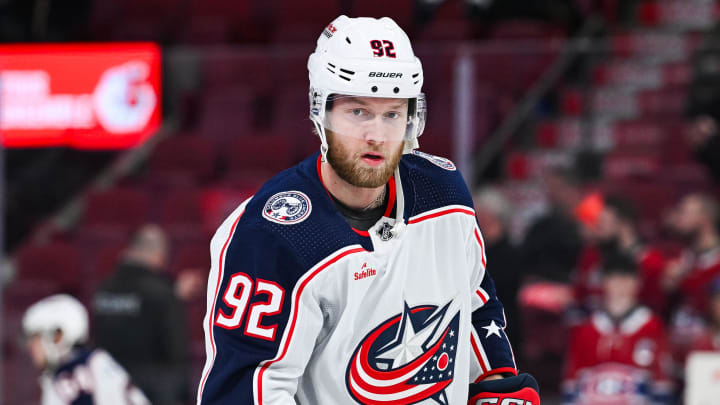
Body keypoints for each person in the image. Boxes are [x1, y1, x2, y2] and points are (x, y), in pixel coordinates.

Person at [197, 15, 539, 405]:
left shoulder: (443, 193)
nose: (376, 134)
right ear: (319, 113)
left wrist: (494, 379)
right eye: (358, 112)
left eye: (392, 113)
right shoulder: (271, 233)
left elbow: (474, 296)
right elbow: (247, 390)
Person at [92, 224, 195, 405]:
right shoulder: (162, 294)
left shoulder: (103, 289)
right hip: (151, 393)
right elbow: (175, 353)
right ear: (159, 256)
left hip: (105, 390)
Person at [563, 254, 673, 404]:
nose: (621, 286)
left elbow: (663, 389)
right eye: (614, 279)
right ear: (604, 282)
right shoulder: (586, 330)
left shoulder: (653, 327)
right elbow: (571, 390)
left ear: (638, 282)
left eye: (626, 279)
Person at [22, 294, 150, 405]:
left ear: (58, 336)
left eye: (35, 338)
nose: (30, 346)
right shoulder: (94, 361)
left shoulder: (73, 374)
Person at [574, 195, 668, 316]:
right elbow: (579, 296)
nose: (598, 229)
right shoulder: (592, 256)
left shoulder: (650, 262)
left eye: (603, 223)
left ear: (624, 224)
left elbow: (653, 308)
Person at [662, 193, 720, 314]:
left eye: (685, 213)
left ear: (705, 219)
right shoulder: (678, 255)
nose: (679, 218)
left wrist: (685, 281)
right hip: (677, 330)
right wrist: (668, 288)